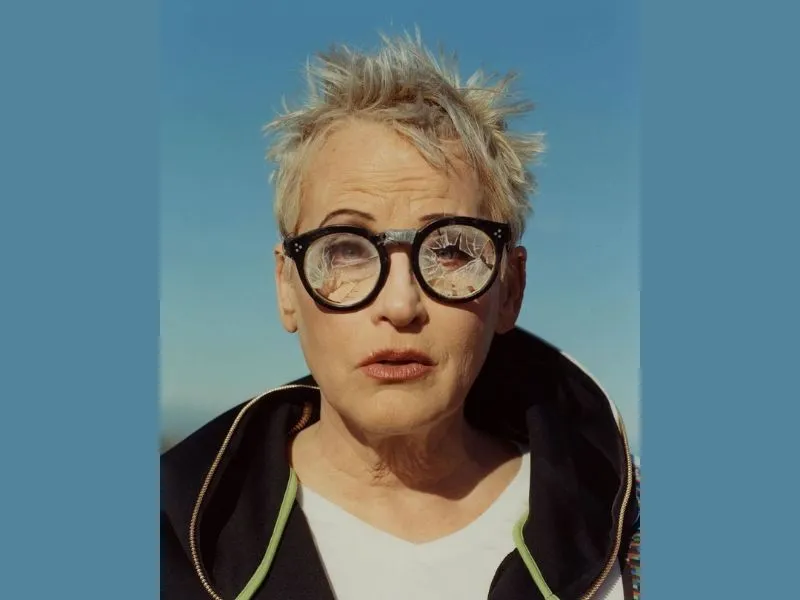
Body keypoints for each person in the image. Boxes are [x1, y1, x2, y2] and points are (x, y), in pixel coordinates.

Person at [161, 32, 641, 600]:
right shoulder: (166, 542)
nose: (400, 305)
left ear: (510, 289)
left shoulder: (627, 546)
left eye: (452, 250)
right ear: (286, 287)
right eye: (345, 249)